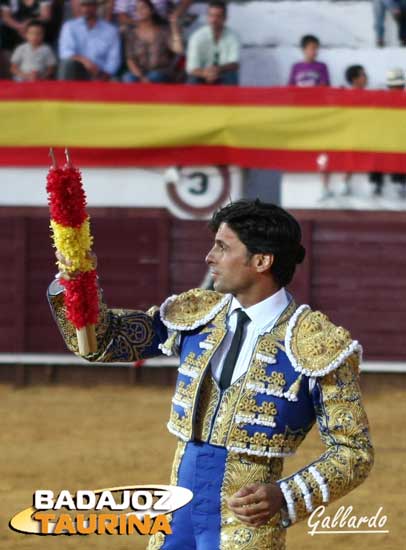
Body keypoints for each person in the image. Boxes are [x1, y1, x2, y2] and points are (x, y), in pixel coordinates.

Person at [48, 199, 374, 549]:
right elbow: (102, 342)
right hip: (176, 515)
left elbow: (354, 451)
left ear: (261, 261)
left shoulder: (318, 344)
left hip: (247, 524)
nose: (209, 257)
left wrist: (286, 495)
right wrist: (74, 284)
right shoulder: (196, 314)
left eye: (222, 247)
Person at [58, 0, 121, 80]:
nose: (86, 9)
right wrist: (84, 61)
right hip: (77, 71)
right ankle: (65, 92)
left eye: (89, 5)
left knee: (116, 81)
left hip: (100, 73)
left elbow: (114, 60)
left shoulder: (111, 30)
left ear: (96, 6)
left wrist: (103, 76)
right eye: (83, 5)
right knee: (66, 64)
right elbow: (65, 53)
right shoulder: (70, 27)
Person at [123, 0, 183, 83]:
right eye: (137, 9)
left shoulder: (163, 31)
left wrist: (174, 28)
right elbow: (130, 60)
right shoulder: (131, 34)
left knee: (154, 76)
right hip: (141, 72)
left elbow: (178, 50)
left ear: (151, 10)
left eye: (143, 7)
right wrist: (142, 77)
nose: (140, 11)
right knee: (127, 78)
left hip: (161, 71)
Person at [369, 68, 406, 197]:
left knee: (401, 150)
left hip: (400, 136)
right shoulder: (381, 98)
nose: (397, 88)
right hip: (383, 135)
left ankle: (401, 182)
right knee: (376, 151)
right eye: (394, 86)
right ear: (389, 86)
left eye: (399, 86)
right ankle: (377, 183)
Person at [186, 0, 240, 85]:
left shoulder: (233, 36)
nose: (214, 20)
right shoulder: (197, 37)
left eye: (218, 16)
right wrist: (205, 73)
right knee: (193, 79)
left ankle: (231, 98)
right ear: (207, 17)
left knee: (231, 75)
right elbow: (191, 67)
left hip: (222, 73)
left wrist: (217, 70)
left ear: (225, 18)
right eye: (211, 16)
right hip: (201, 74)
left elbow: (235, 63)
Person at [343, 64, 369, 196]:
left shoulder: (371, 96)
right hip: (350, 133)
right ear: (354, 79)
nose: (366, 78)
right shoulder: (345, 96)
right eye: (363, 75)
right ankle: (345, 183)